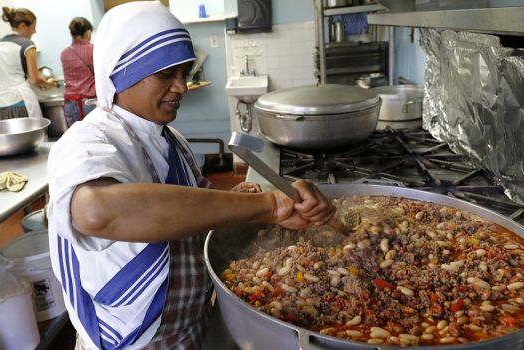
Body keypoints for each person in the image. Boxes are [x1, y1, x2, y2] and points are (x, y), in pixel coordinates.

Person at [46, 2, 335, 349]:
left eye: (185, 73)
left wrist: (243, 201)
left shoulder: (172, 140)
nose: (182, 87)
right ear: (121, 73)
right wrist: (269, 206)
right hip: (132, 341)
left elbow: (196, 208)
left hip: (192, 326)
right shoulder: (89, 140)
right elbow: (96, 212)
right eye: (166, 74)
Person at [0, 6, 55, 120]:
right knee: (29, 137)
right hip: (19, 102)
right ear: (23, 25)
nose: (34, 31)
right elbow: (35, 79)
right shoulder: (27, 45)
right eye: (33, 27)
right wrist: (49, 83)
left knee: (8, 138)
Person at [60, 17, 96, 127]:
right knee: (95, 139)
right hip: (89, 104)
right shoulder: (93, 49)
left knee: (77, 139)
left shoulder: (64, 53)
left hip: (70, 104)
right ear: (87, 32)